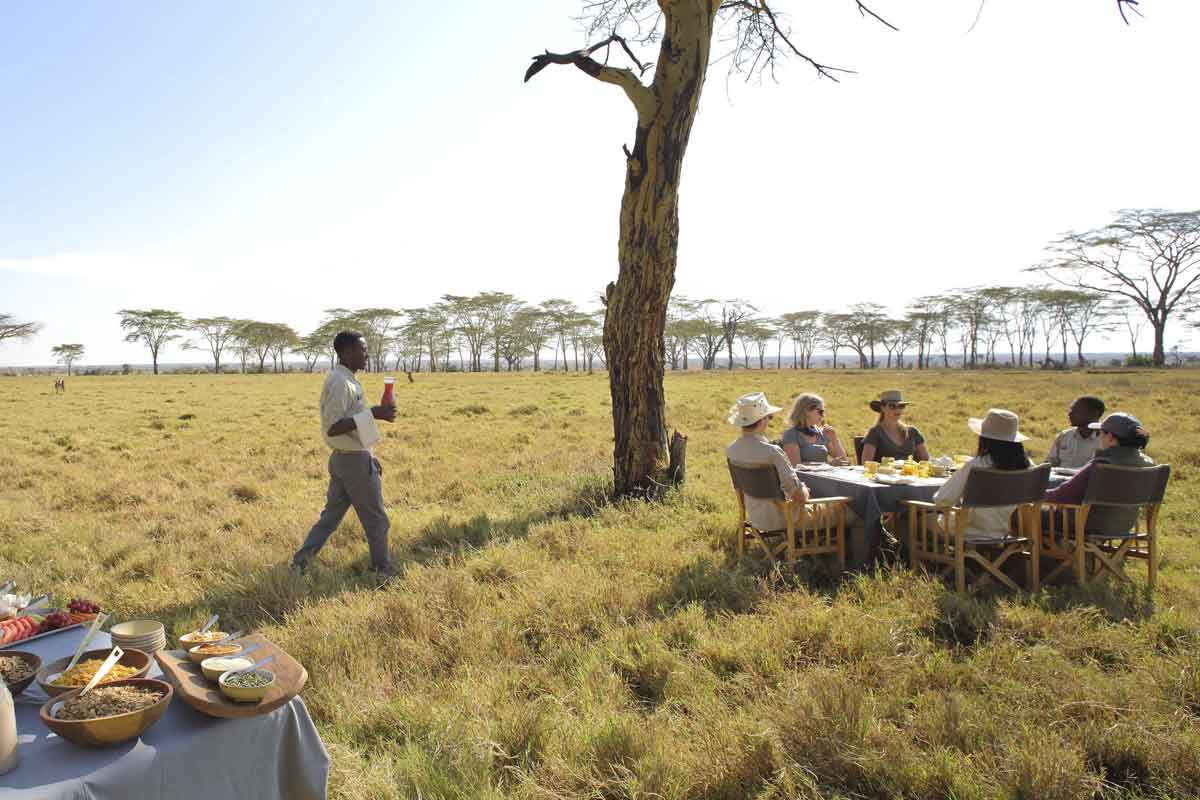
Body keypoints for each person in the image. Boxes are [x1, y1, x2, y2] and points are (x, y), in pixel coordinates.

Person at [292, 331, 397, 578]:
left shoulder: (347, 378)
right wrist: (374, 413)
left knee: (330, 518)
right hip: (352, 463)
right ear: (347, 352)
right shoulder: (340, 381)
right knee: (377, 521)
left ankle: (300, 564)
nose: (367, 354)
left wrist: (369, 452)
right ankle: (383, 571)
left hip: (348, 458)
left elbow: (351, 423)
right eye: (363, 349)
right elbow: (334, 426)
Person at [1045, 412, 1154, 535]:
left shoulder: (1103, 463)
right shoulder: (1148, 464)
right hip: (1124, 525)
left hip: (1087, 524)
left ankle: (1042, 553)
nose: (1098, 437)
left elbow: (1061, 496)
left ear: (1110, 437)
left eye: (1100, 433)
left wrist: (1031, 495)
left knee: (1022, 513)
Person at [933, 409, 1032, 541]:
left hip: (967, 530)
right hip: (1005, 529)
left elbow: (942, 500)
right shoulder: (1027, 466)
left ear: (985, 438)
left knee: (914, 519)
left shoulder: (977, 465)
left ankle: (929, 561)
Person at [725, 392, 810, 532]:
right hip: (786, 519)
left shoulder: (731, 449)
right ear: (762, 420)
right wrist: (805, 490)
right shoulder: (772, 452)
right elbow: (799, 496)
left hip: (754, 517)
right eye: (769, 417)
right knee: (849, 513)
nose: (769, 420)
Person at [861, 390, 929, 463]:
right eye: (892, 406)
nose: (897, 409)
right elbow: (866, 463)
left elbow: (925, 460)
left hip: (910, 473)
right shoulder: (875, 432)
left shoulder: (912, 432)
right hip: (884, 473)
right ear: (882, 408)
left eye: (901, 406)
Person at [780, 393, 849, 466]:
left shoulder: (822, 433)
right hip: (804, 477)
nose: (823, 415)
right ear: (807, 411)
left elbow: (844, 461)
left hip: (825, 475)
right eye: (820, 411)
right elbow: (795, 466)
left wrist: (834, 439)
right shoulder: (791, 434)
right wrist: (828, 465)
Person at [1045, 395, 1105, 469]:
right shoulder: (1064, 436)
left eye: (1076, 411)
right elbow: (1049, 463)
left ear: (1094, 414)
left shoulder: (1105, 440)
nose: (1070, 414)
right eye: (1071, 410)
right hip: (1059, 479)